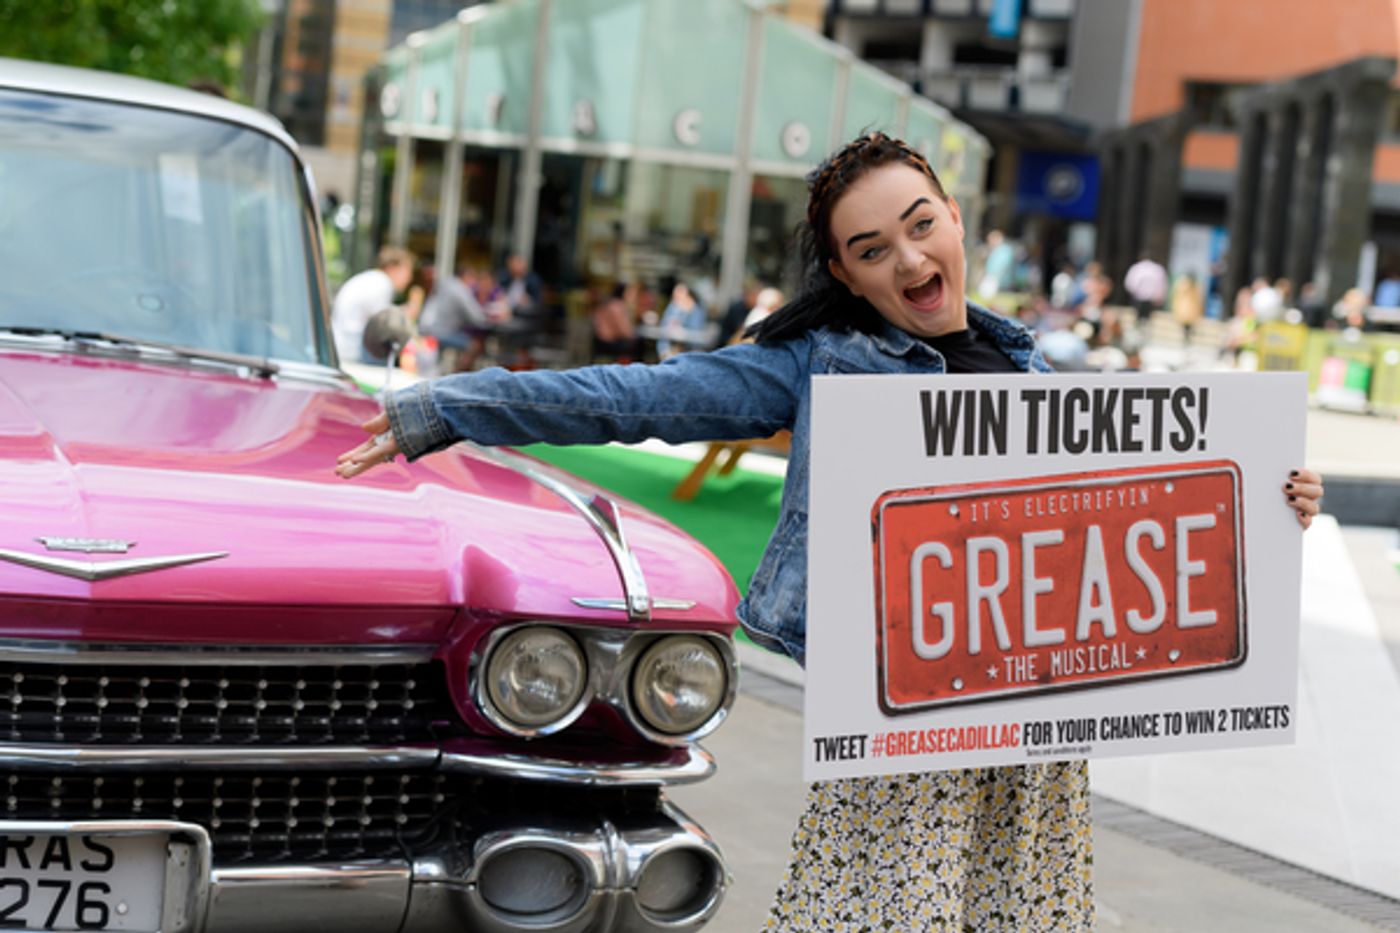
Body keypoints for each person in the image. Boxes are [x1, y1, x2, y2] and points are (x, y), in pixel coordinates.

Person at [336, 132, 1325, 930]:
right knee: (878, 913)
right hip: (906, 713)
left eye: (918, 225)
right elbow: (632, 394)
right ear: (846, 278)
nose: (907, 259)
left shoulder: (1037, 374)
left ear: (953, 217)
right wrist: (450, 407)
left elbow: (1160, 504)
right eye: (870, 250)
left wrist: (1271, 502)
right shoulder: (824, 363)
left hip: (1033, 730)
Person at [332, 246, 417, 363]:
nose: (409, 278)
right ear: (392, 268)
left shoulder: (373, 280)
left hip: (342, 344)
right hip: (351, 350)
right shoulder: (382, 284)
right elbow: (384, 329)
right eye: (407, 271)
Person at [656, 282, 708, 357]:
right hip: (671, 349)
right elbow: (664, 329)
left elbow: (696, 335)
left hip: (690, 350)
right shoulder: (672, 308)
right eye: (675, 297)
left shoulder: (697, 311)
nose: (677, 300)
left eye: (680, 296)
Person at [1123, 252, 1168, 316]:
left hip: (1138, 296)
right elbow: (1161, 285)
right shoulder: (1157, 269)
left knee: (1137, 315)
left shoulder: (1136, 268)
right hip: (1151, 298)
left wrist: (1133, 292)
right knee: (1147, 316)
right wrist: (1159, 297)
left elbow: (1130, 283)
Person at [1170, 272, 1205, 347]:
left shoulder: (1188, 285)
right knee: (1186, 326)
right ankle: (1186, 339)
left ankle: (1186, 340)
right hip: (1188, 309)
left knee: (1187, 326)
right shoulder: (1188, 285)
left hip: (1189, 309)